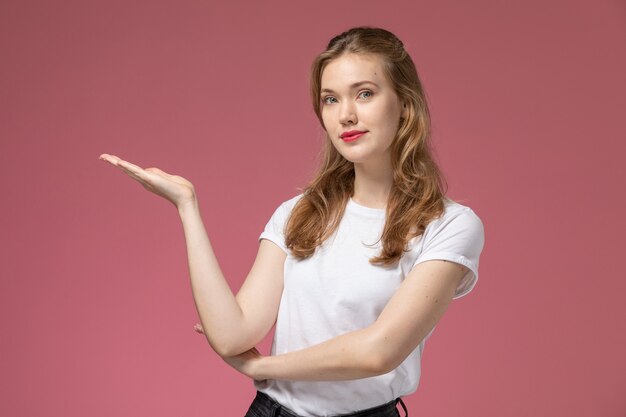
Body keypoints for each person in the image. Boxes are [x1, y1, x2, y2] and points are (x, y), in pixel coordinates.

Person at [99, 26, 484, 417]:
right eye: (330, 100)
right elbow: (234, 334)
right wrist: (187, 207)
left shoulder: (450, 226)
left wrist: (262, 367)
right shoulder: (299, 213)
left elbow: (379, 352)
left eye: (364, 93)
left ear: (404, 102)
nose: (346, 115)